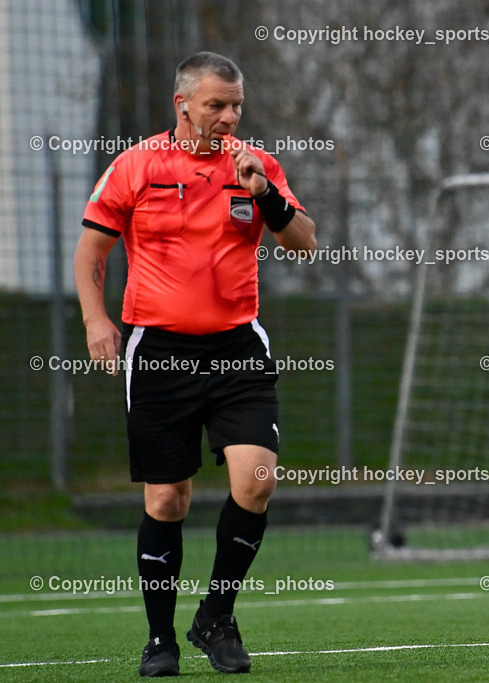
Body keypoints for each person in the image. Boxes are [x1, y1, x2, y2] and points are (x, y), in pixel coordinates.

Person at [73, 51, 316, 676]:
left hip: (238, 347)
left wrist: (263, 192)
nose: (229, 116)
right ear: (183, 105)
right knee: (166, 500)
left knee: (257, 481)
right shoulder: (135, 165)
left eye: (236, 105)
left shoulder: (257, 166)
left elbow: (304, 241)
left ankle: (216, 615)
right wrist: (98, 321)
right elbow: (91, 249)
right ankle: (161, 641)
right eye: (216, 105)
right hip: (158, 352)